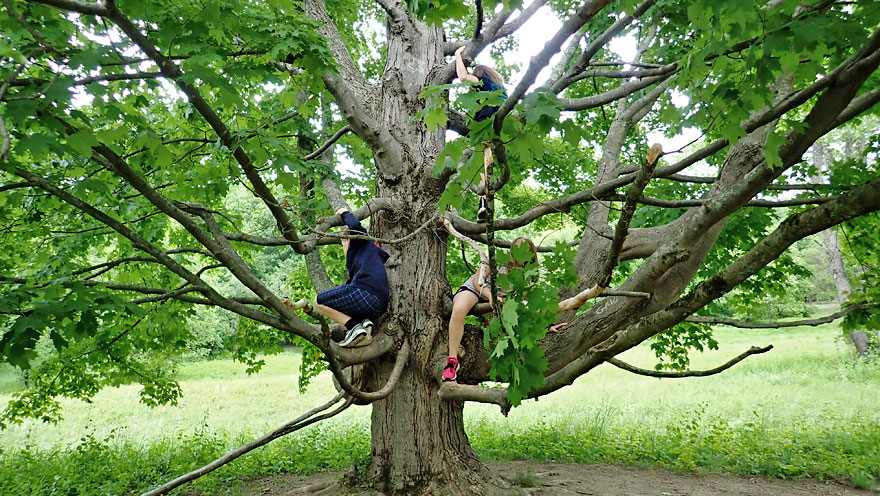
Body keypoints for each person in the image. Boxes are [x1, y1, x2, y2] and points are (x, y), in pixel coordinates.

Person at [443, 237, 541, 381]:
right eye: (515, 248)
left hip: (498, 305)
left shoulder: (528, 276)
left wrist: (547, 324)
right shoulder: (496, 260)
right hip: (477, 290)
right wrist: (490, 296)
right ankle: (452, 361)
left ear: (530, 254)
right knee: (459, 308)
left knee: (501, 332)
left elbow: (527, 303)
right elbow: (478, 282)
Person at [313, 207, 390, 347]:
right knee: (342, 300)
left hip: (364, 293)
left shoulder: (359, 242)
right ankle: (364, 324)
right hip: (379, 305)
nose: (344, 246)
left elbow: (355, 226)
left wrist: (344, 212)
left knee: (318, 301)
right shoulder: (368, 257)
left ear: (350, 239)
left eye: (344, 242)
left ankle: (354, 326)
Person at [454, 45, 508, 221]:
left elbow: (462, 77)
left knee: (481, 168)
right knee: (488, 166)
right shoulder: (500, 90)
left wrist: (457, 55)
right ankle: (486, 206)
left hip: (484, 128)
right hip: (500, 132)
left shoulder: (482, 81)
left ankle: (483, 204)